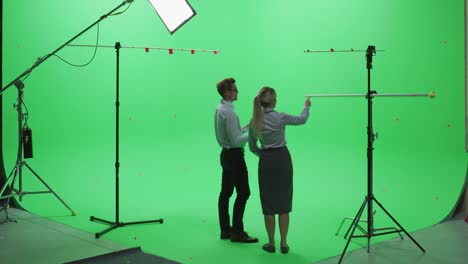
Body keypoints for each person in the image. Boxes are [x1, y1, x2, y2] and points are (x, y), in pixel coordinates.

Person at [248, 87, 310, 254]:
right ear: (274, 101)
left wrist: (263, 154)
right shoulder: (280, 117)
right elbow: (302, 119)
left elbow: (252, 146)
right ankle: (284, 243)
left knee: (268, 204)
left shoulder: (255, 120)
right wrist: (306, 106)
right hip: (282, 159)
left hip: (266, 161)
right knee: (284, 204)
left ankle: (271, 243)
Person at [214, 77, 258, 243]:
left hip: (225, 155)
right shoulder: (229, 113)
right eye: (234, 89)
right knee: (244, 193)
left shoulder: (220, 109)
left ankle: (225, 230)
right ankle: (237, 232)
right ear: (226, 92)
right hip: (234, 156)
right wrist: (252, 135)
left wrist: (247, 127)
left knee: (225, 193)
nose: (237, 91)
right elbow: (236, 141)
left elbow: (231, 134)